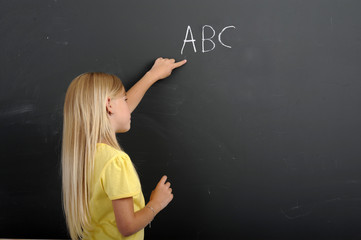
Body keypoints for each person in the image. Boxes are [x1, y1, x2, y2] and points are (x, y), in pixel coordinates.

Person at [61, 57, 187, 240]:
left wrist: (152, 75)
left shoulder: (84, 155)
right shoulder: (116, 161)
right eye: (124, 98)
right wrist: (156, 204)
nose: (128, 105)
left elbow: (118, 112)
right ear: (109, 105)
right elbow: (127, 226)